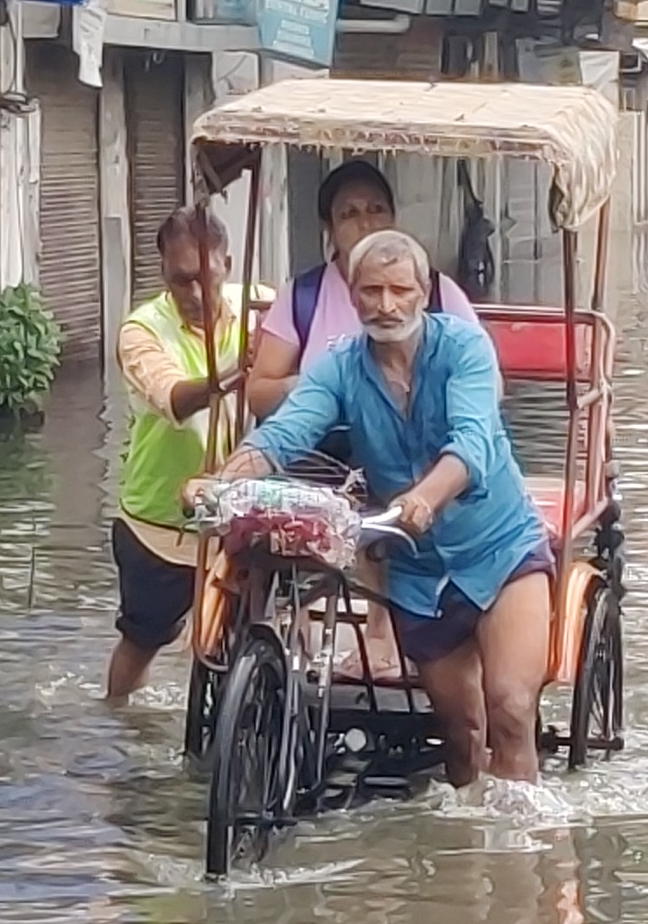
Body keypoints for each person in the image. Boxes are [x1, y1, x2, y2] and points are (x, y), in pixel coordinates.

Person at [217, 228, 554, 786]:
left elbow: (473, 440)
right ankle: (470, 859)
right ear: (352, 296)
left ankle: (524, 855)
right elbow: (288, 431)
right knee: (459, 732)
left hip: (499, 548)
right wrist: (228, 478)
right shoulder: (339, 367)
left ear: (425, 291)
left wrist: (424, 497)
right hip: (417, 568)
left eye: (400, 289)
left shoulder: (464, 348)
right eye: (371, 290)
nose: (386, 304)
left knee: (511, 711)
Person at [106, 206, 258, 706]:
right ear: (163, 276)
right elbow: (172, 397)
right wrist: (237, 369)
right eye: (180, 282)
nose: (195, 295)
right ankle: (116, 719)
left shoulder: (261, 309)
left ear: (228, 265)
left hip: (243, 515)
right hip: (161, 523)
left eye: (205, 279)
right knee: (143, 638)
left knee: (250, 637)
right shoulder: (140, 330)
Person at [246, 158, 479, 418]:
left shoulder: (438, 290)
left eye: (376, 209)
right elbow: (258, 396)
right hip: (323, 448)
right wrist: (320, 385)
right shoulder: (301, 297)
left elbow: (486, 382)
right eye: (349, 214)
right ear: (330, 229)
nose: (366, 223)